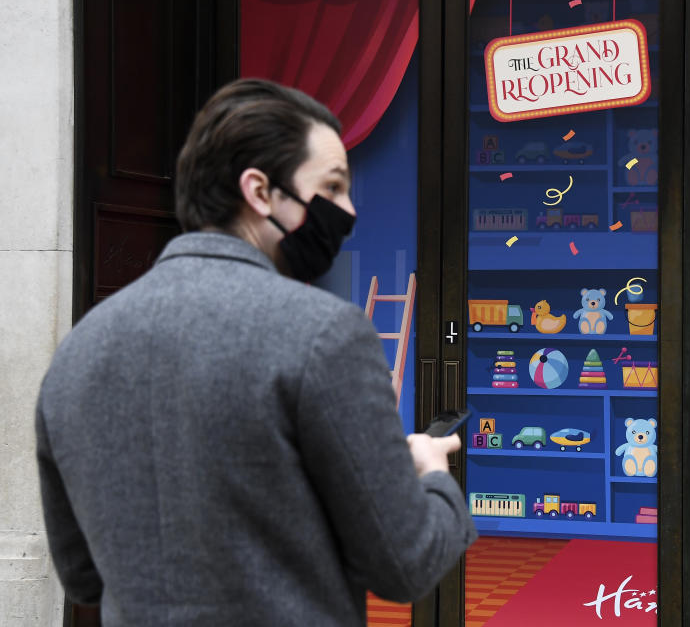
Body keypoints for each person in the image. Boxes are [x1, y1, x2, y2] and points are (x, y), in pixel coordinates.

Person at [35, 79, 476, 626]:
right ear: (260, 192)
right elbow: (406, 565)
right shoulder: (325, 334)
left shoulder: (77, 352)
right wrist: (433, 474)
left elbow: (81, 575)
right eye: (334, 186)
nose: (349, 212)